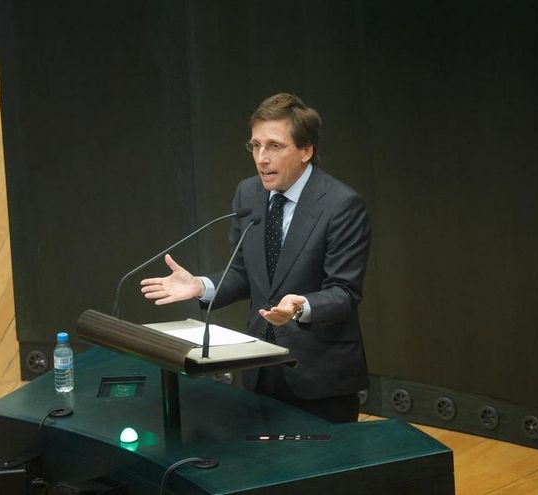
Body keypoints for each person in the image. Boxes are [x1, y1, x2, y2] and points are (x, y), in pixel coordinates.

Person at [140, 93, 371, 423]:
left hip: (319, 373)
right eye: (256, 146)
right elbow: (243, 272)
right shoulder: (248, 193)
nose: (262, 158)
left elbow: (344, 292)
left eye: (275, 146)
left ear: (306, 150)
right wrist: (200, 286)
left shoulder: (341, 205)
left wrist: (299, 307)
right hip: (259, 367)